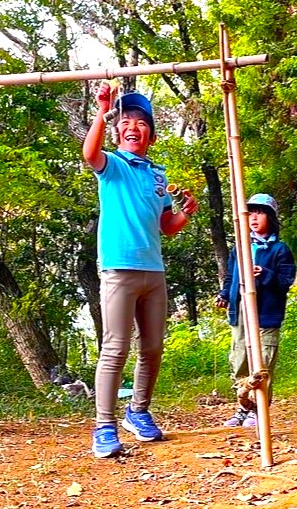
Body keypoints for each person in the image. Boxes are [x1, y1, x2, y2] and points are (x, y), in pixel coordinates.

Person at [83, 83, 198, 458]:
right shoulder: (112, 166)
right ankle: (104, 426)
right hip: (118, 268)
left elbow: (166, 225)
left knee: (152, 347)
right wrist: (103, 110)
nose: (134, 127)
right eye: (126, 121)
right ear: (118, 130)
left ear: (150, 131)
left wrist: (185, 213)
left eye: (142, 122)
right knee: (115, 348)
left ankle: (139, 412)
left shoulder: (157, 175)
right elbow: (90, 153)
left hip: (154, 270)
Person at [215, 193, 297, 427]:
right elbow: (230, 276)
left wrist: (267, 275)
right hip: (240, 311)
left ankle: (259, 410)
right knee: (239, 359)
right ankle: (244, 406)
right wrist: (224, 294)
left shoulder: (280, 250)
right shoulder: (239, 248)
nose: (254, 218)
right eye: (250, 213)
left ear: (270, 217)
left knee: (262, 363)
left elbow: (286, 281)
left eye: (259, 213)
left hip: (266, 312)